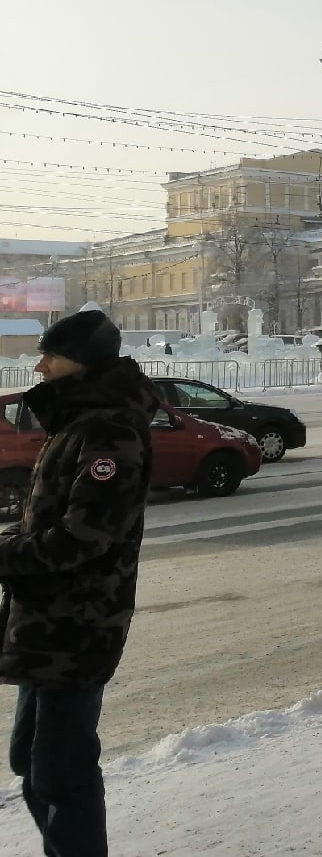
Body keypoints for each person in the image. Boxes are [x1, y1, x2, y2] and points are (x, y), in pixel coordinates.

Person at [0, 309, 158, 857]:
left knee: (61, 770)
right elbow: (50, 523)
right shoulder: (76, 421)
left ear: (82, 363)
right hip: (46, 621)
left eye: (51, 355)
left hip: (81, 623)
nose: (39, 366)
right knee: (31, 760)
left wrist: (6, 554)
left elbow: (85, 536)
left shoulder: (109, 430)